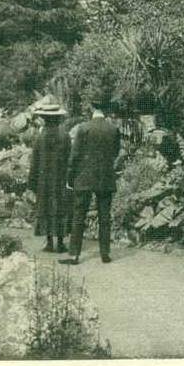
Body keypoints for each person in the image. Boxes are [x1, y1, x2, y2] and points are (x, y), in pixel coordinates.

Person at [59, 93, 122, 265]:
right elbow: (116, 152)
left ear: (92, 108)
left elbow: (74, 156)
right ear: (106, 109)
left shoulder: (83, 128)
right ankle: (105, 253)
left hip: (84, 177)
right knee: (104, 216)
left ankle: (74, 255)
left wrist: (70, 178)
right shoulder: (113, 129)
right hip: (105, 177)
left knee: (79, 215)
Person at [27, 96, 70, 253]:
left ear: (45, 119)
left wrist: (32, 182)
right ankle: (60, 242)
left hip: (44, 180)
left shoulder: (40, 137)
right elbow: (69, 159)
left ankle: (49, 242)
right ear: (58, 118)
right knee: (60, 207)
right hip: (60, 178)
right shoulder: (64, 136)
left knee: (45, 207)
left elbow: (35, 161)